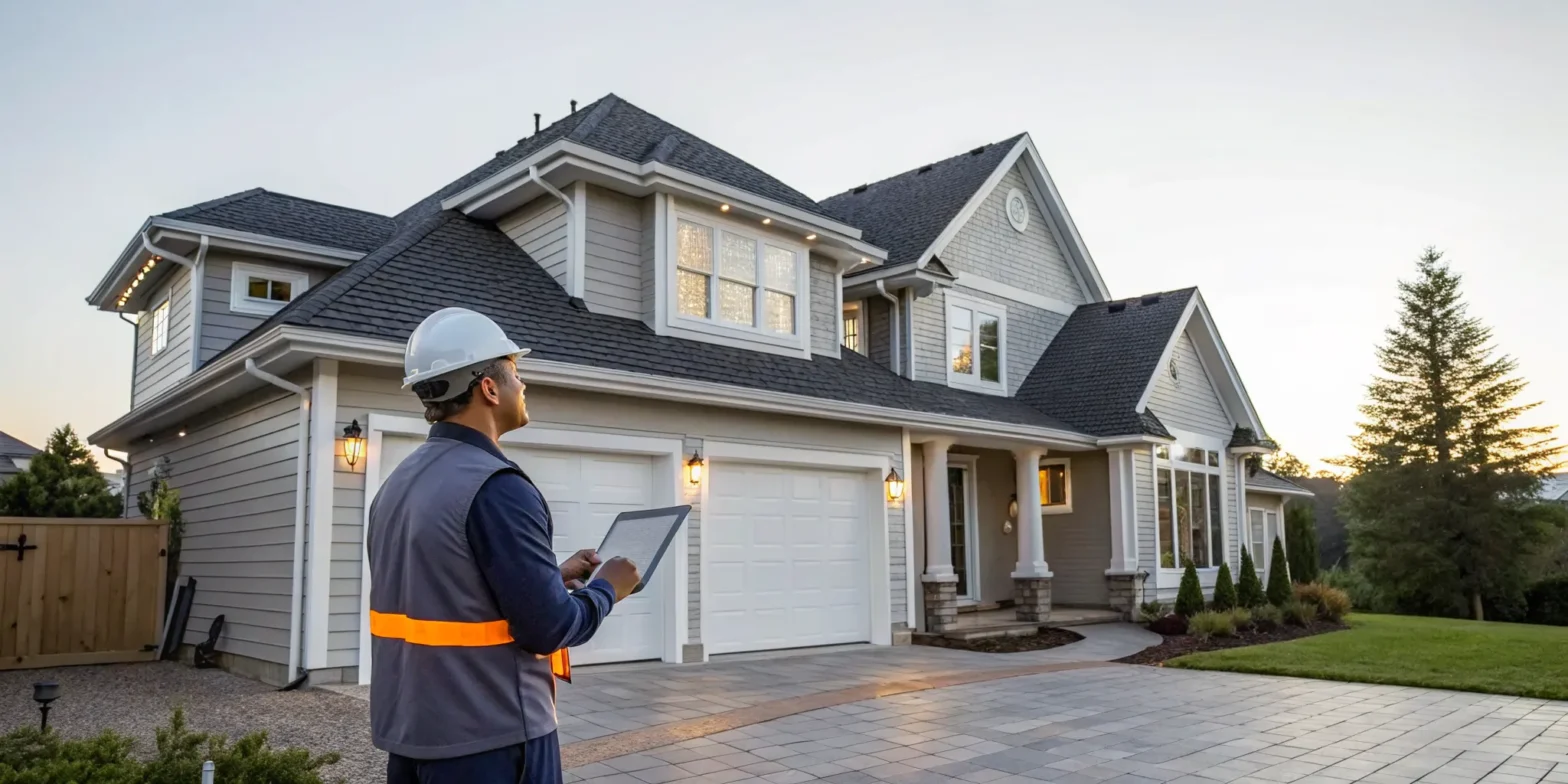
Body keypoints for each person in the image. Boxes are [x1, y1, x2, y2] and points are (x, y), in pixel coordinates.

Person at [368, 307, 642, 784]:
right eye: (516, 372)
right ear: (489, 388)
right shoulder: (498, 486)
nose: (523, 385)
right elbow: (548, 628)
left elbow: (447, 591)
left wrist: (550, 578)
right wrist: (607, 590)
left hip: (413, 737)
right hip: (491, 741)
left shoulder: (398, 484)